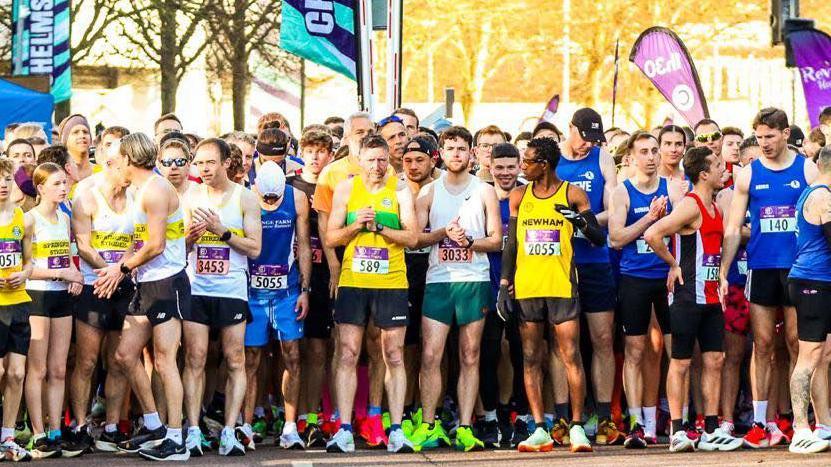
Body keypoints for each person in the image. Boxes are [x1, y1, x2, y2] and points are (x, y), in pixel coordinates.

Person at [720, 108, 817, 449]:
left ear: (785, 133)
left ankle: (797, 418)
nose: (764, 144)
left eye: (770, 136)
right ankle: (762, 421)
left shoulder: (806, 168)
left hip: (798, 268)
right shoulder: (748, 174)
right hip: (760, 268)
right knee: (762, 345)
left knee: (795, 343)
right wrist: (723, 269)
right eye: (759, 137)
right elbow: (733, 227)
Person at [499, 137, 603, 453]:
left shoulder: (572, 193)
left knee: (570, 355)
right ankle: (540, 428)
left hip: (561, 286)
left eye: (527, 161)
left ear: (543, 163)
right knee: (531, 357)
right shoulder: (518, 196)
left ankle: (576, 427)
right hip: (528, 288)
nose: (522, 166)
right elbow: (512, 244)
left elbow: (599, 238)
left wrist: (580, 221)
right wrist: (504, 285)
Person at [644, 146, 742, 453]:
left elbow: (718, 245)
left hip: (712, 296)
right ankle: (677, 430)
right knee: (681, 361)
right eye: (716, 165)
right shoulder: (691, 205)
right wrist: (673, 264)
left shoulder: (715, 206)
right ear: (703, 173)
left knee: (715, 360)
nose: (723, 169)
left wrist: (723, 274)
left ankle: (711, 429)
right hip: (687, 295)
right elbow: (653, 234)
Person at [324, 134, 418, 454]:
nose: (377, 166)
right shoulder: (347, 189)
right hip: (354, 281)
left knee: (393, 354)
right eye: (371, 160)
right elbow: (332, 236)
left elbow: (413, 236)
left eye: (382, 160)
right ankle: (345, 428)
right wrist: (356, 226)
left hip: (391, 282)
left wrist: (381, 229)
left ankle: (396, 429)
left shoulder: (401, 190)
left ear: (389, 159)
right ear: (360, 160)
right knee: (348, 353)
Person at [410, 126, 502, 451]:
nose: (456, 154)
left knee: (470, 354)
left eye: (462, 149)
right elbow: (414, 238)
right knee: (431, 354)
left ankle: (465, 425)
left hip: (473, 280)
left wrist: (470, 242)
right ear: (441, 154)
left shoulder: (484, 190)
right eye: (450, 149)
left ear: (472, 153)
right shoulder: (429, 192)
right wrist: (440, 235)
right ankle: (428, 424)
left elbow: (496, 239)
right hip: (438, 281)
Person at [104, 133, 190, 461]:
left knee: (166, 360)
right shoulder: (141, 190)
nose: (116, 167)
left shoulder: (155, 190)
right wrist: (116, 269)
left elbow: (156, 245)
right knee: (125, 355)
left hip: (167, 283)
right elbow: (139, 240)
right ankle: (154, 424)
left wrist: (121, 269)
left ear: (129, 159)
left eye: (117, 160)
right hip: (145, 284)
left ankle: (175, 437)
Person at [181, 138, 262, 456]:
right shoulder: (190, 196)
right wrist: (189, 238)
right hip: (197, 287)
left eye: (210, 163)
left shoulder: (245, 198)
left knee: (235, 358)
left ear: (227, 162)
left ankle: (229, 429)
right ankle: (192, 430)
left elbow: (255, 248)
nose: (203, 169)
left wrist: (222, 231)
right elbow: (179, 249)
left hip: (231, 289)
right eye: (199, 163)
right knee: (195, 358)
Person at [608, 131, 681, 448]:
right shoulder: (621, 193)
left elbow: (684, 232)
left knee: (675, 351)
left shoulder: (673, 189)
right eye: (644, 152)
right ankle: (637, 424)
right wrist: (650, 219)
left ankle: (672, 422)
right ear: (631, 158)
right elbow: (616, 238)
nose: (651, 157)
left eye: (655, 150)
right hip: (634, 277)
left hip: (666, 277)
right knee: (635, 352)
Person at [68, 135, 138, 452]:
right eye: (127, 162)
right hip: (94, 282)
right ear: (111, 164)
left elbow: (142, 240)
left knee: (117, 361)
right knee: (86, 361)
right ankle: (80, 425)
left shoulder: (138, 195)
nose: (132, 168)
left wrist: (120, 269)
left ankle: (112, 426)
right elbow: (83, 244)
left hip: (124, 282)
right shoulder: (86, 196)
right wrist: (107, 270)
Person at [556, 107, 621, 445]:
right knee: (564, 342)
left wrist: (586, 220)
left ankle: (605, 415)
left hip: (595, 257)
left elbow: (614, 208)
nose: (586, 146)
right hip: (560, 262)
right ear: (570, 129)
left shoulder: (603, 158)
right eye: (583, 137)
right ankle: (564, 415)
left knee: (603, 338)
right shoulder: (554, 159)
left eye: (593, 139)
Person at [243, 161, 311, 450]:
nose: (270, 202)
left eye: (275, 198)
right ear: (256, 187)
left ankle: (290, 426)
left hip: (287, 289)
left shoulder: (296, 198)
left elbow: (305, 244)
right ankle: (245, 424)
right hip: (252, 290)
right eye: (266, 199)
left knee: (292, 355)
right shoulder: (245, 196)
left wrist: (305, 289)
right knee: (250, 358)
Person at [23, 162, 84, 458]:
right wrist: (61, 275)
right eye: (57, 183)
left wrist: (74, 276)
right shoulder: (30, 220)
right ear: (40, 188)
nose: (64, 188)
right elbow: (26, 268)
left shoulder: (65, 218)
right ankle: (38, 433)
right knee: (39, 368)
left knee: (59, 368)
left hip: (61, 298)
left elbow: (70, 256)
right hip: (36, 296)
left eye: (65, 183)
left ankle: (56, 429)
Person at [288, 130, 336, 447]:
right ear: (301, 152)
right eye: (310, 150)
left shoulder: (336, 186)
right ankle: (287, 414)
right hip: (291, 273)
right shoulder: (289, 186)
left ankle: (311, 416)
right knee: (290, 352)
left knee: (318, 348)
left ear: (330, 154)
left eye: (322, 151)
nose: (316, 157)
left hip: (324, 273)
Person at [481, 142, 528, 448]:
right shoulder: (480, 195)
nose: (506, 173)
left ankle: (522, 417)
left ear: (520, 166)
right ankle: (491, 417)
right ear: (490, 167)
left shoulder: (529, 195)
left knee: (524, 354)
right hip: (486, 285)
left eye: (511, 167)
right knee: (488, 354)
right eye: (500, 167)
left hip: (523, 287)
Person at [786, 146, 831, 454]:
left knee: (823, 355)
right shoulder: (823, 196)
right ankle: (800, 430)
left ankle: (822, 426)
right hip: (813, 282)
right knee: (809, 356)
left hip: (819, 280)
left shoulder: (817, 192)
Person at [716, 136, 759, 437]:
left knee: (764, 351)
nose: (760, 168)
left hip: (763, 277)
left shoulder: (776, 190)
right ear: (741, 164)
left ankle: (763, 417)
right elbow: (725, 233)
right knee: (732, 355)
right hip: (735, 281)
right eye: (753, 162)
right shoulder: (728, 195)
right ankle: (727, 419)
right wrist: (754, 230)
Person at [399, 136, 437, 436]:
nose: (413, 166)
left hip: (436, 269)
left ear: (432, 160)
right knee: (408, 345)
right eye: (408, 160)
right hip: (402, 269)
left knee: (437, 347)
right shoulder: (396, 187)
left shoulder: (442, 187)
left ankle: (436, 407)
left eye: (419, 160)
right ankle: (407, 406)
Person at [0, 158, 34, 462]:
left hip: (19, 302)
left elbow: (30, 260)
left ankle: (7, 436)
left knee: (17, 373)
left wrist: (24, 274)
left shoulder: (21, 217)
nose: (2, 185)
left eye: (7, 179)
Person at [57, 114, 100, 185]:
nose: (82, 136)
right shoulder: (59, 174)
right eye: (75, 132)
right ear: (65, 140)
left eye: (85, 132)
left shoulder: (102, 172)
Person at [157, 133, 195, 197]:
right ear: (159, 165)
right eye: (167, 162)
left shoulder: (202, 192)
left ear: (188, 164)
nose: (174, 166)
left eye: (180, 161)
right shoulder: (152, 195)